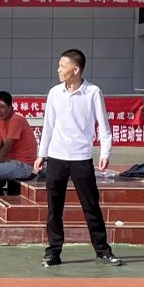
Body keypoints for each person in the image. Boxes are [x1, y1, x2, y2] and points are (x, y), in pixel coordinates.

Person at [38, 49, 122, 268]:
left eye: (62, 66)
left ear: (75, 70)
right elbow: (48, 126)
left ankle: (102, 251)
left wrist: (105, 153)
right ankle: (53, 251)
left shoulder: (93, 92)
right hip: (56, 157)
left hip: (81, 157)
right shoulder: (54, 92)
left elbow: (103, 125)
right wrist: (42, 154)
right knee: (54, 208)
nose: (58, 70)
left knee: (91, 206)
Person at [0, 90, 37, 185]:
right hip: (11, 163)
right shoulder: (2, 122)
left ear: (10, 106)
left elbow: (5, 148)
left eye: (2, 107)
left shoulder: (16, 120)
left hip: (22, 167)